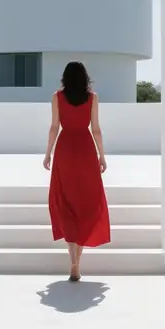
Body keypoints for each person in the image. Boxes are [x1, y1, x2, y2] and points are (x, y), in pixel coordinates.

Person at [43, 61, 110, 281]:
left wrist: (48, 153)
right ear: (84, 78)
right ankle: (77, 262)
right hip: (85, 149)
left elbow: (54, 127)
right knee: (85, 203)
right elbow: (96, 129)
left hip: (65, 149)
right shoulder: (92, 98)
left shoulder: (57, 97)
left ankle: (72, 261)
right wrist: (101, 155)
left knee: (66, 201)